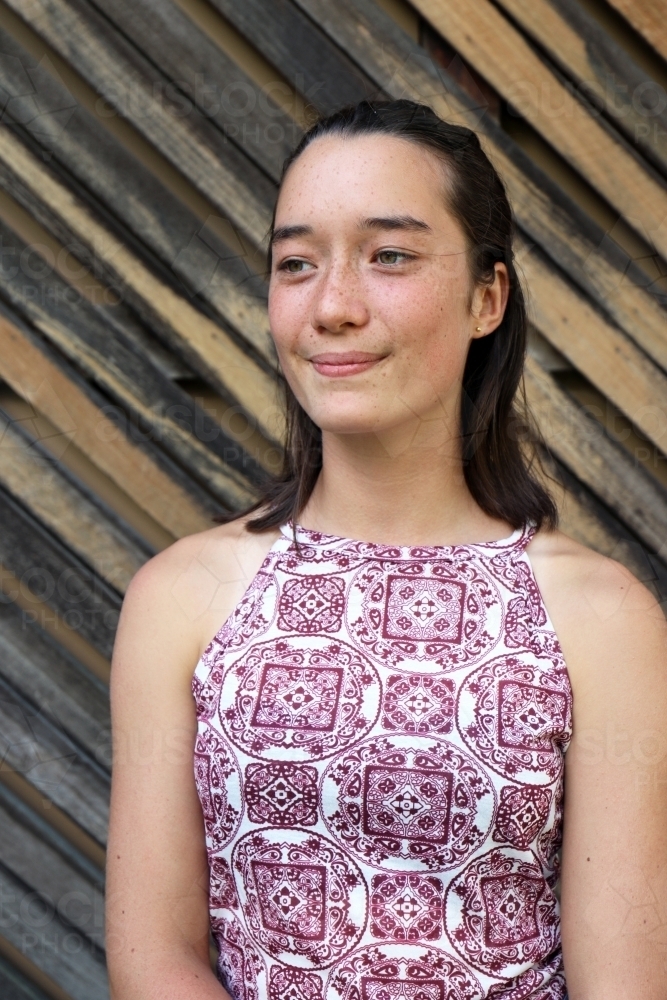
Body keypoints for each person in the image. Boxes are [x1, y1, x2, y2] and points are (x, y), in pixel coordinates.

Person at [106, 100, 667, 999]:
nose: (332, 305)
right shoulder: (183, 597)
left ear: (486, 297)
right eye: (296, 264)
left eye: (389, 256)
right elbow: (151, 957)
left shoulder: (601, 620)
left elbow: (624, 981)